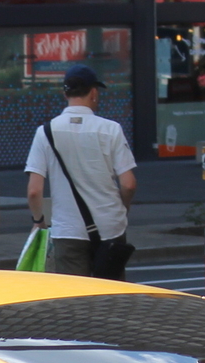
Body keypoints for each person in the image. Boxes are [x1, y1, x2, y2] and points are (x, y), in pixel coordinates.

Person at [25, 64, 135, 277]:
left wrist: (39, 221)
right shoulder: (111, 129)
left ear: (64, 93)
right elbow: (129, 184)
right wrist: (123, 209)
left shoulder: (45, 132)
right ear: (93, 93)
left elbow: (34, 191)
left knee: (77, 299)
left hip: (68, 231)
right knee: (110, 297)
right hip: (110, 228)